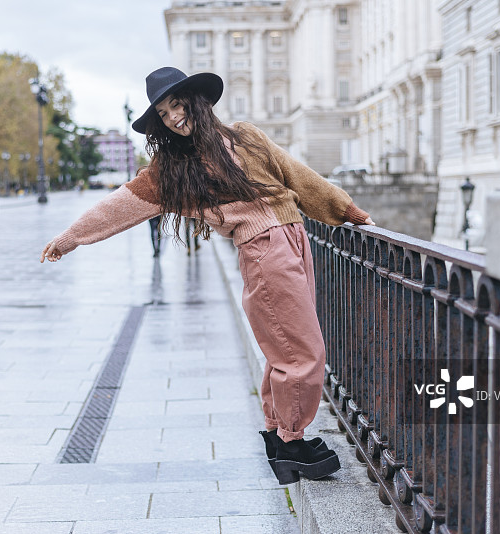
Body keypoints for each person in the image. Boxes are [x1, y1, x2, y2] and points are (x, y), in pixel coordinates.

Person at [40, 67, 375, 485]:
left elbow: (294, 172)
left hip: (294, 240)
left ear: (196, 100)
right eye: (163, 113)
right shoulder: (174, 169)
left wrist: (346, 210)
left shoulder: (245, 136)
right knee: (302, 351)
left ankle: (279, 435)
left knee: (285, 345)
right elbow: (120, 204)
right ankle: (293, 443)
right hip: (264, 250)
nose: (173, 117)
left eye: (176, 104)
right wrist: (72, 236)